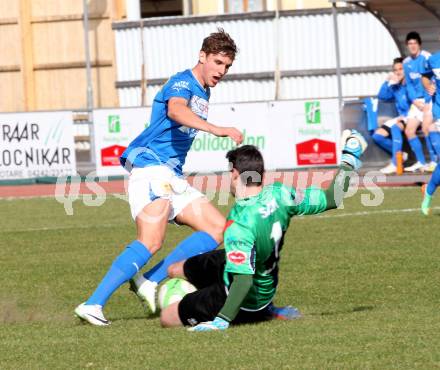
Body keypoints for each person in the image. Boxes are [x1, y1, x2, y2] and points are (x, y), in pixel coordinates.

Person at [75, 29, 244, 326]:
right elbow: (176, 111)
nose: (221, 70)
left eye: (227, 66)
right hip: (151, 166)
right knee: (151, 241)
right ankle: (93, 304)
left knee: (219, 229)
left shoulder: (204, 91)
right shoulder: (182, 81)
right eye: (217, 62)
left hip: (171, 173)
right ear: (202, 56)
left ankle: (150, 280)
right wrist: (215, 129)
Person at [159, 131, 367, 331]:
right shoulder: (282, 194)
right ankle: (254, 305)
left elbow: (243, 280)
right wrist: (349, 160)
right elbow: (333, 198)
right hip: (258, 274)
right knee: (175, 269)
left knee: (166, 317)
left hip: (245, 300)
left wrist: (221, 320)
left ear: (235, 174)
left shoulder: (239, 223)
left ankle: (261, 311)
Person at [403, 31, 437, 172]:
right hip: (416, 102)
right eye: (410, 44)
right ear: (407, 45)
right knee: (409, 130)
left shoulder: (427, 57)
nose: (412, 46)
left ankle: (435, 161)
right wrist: (415, 101)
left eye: (415, 43)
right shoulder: (406, 63)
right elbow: (409, 85)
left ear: (419, 44)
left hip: (428, 100)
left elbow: (433, 80)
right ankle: (422, 162)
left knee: (426, 127)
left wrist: (427, 101)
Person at [372, 57, 409, 174]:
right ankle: (400, 155)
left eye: (401, 69)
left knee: (395, 128)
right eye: (395, 70)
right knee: (377, 136)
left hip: (414, 117)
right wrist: (387, 82)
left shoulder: (412, 84)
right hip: (401, 117)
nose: (398, 72)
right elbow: (382, 96)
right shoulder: (395, 86)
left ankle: (395, 163)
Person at [420, 49, 440, 215]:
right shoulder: (433, 60)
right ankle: (428, 194)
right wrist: (429, 87)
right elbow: (425, 77)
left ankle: (428, 190)